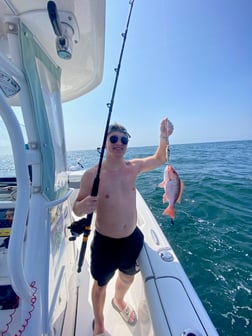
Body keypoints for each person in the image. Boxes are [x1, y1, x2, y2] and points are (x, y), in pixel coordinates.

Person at [73, 117, 174, 336]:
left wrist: (164, 136)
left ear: (128, 143)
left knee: (128, 276)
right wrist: (83, 206)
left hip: (132, 239)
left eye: (124, 140)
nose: (119, 143)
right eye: (114, 138)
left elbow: (159, 158)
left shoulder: (133, 167)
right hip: (105, 243)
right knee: (100, 283)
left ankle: (119, 301)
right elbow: (76, 208)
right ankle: (99, 324)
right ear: (106, 143)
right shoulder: (92, 175)